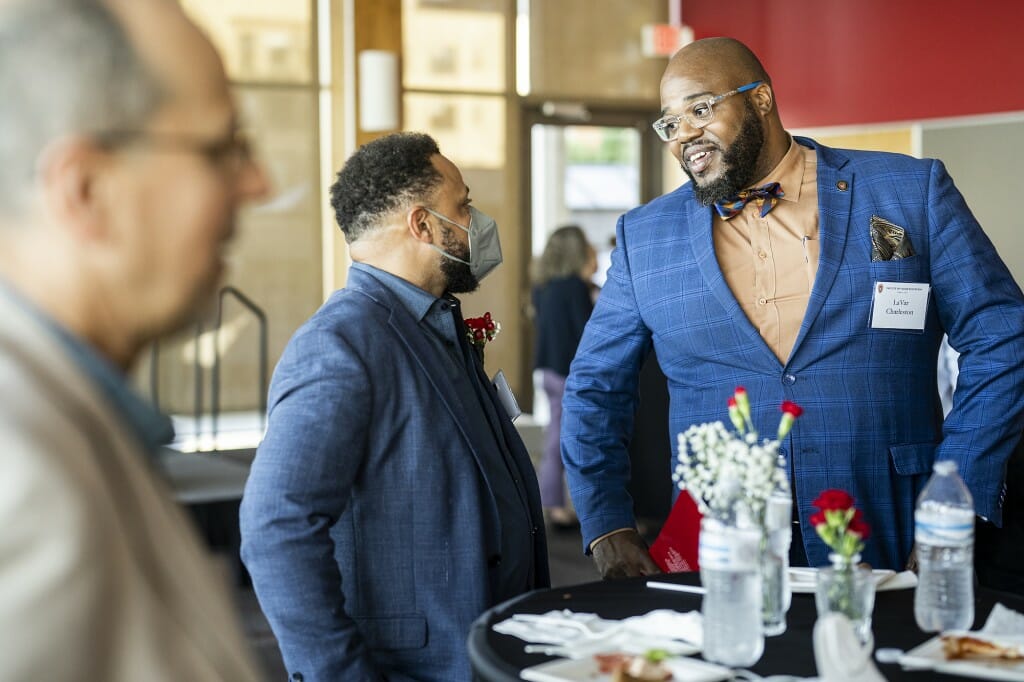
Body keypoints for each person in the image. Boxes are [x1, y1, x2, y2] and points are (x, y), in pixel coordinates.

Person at [561, 36, 1024, 576]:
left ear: (760, 99)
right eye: (670, 122)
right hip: (717, 545)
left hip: (891, 522)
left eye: (701, 109)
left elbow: (1002, 337)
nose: (684, 133)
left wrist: (955, 497)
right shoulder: (644, 238)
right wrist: (607, 524)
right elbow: (594, 386)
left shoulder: (907, 192)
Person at [0, 0, 269, 679]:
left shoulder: (71, 416)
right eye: (221, 150)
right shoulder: (19, 482)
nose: (256, 184)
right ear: (86, 190)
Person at [239, 132, 549, 681]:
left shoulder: (433, 324)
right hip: (418, 665)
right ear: (423, 224)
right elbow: (276, 525)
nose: (476, 223)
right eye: (464, 206)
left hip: (492, 648)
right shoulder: (341, 343)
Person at [531, 225, 596, 528]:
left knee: (555, 436)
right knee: (573, 439)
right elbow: (588, 332)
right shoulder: (575, 287)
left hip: (547, 370)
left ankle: (552, 501)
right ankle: (562, 507)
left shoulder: (542, 286)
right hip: (570, 371)